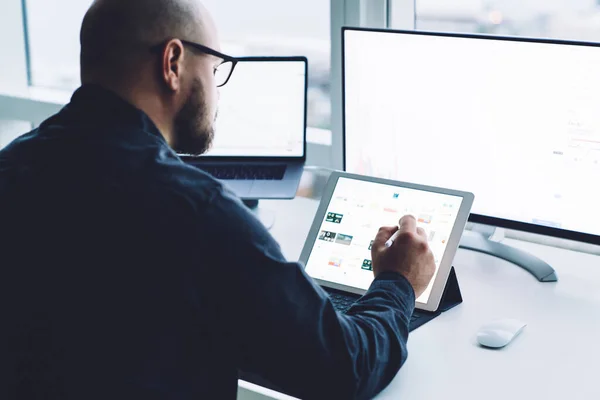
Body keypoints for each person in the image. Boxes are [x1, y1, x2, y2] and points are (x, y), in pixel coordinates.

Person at [0, 0, 436, 399]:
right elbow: (346, 369)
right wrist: (397, 283)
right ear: (172, 63)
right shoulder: (195, 211)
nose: (217, 89)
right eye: (215, 69)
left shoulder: (12, 165)